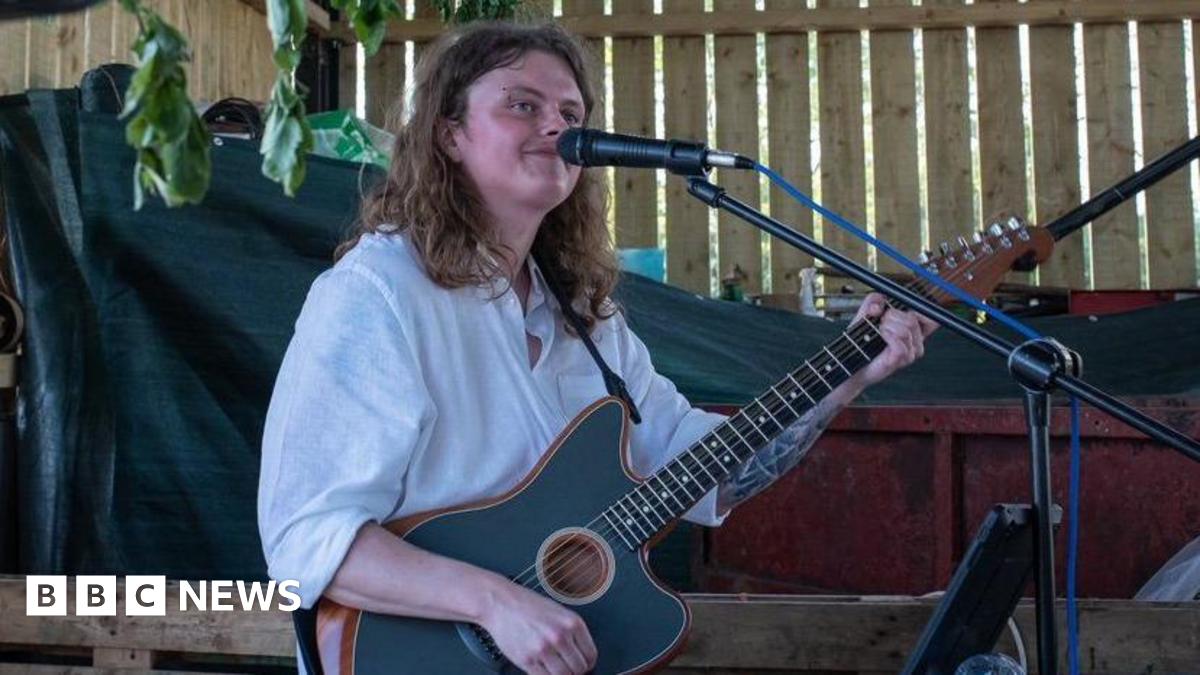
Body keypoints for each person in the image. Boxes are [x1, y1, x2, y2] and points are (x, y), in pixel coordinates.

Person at [257, 20, 933, 675]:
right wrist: (496, 602)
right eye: (523, 105)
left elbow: (711, 467)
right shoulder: (377, 292)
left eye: (570, 111)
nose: (558, 127)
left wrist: (849, 373)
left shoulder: (585, 316)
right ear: (450, 133)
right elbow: (307, 541)